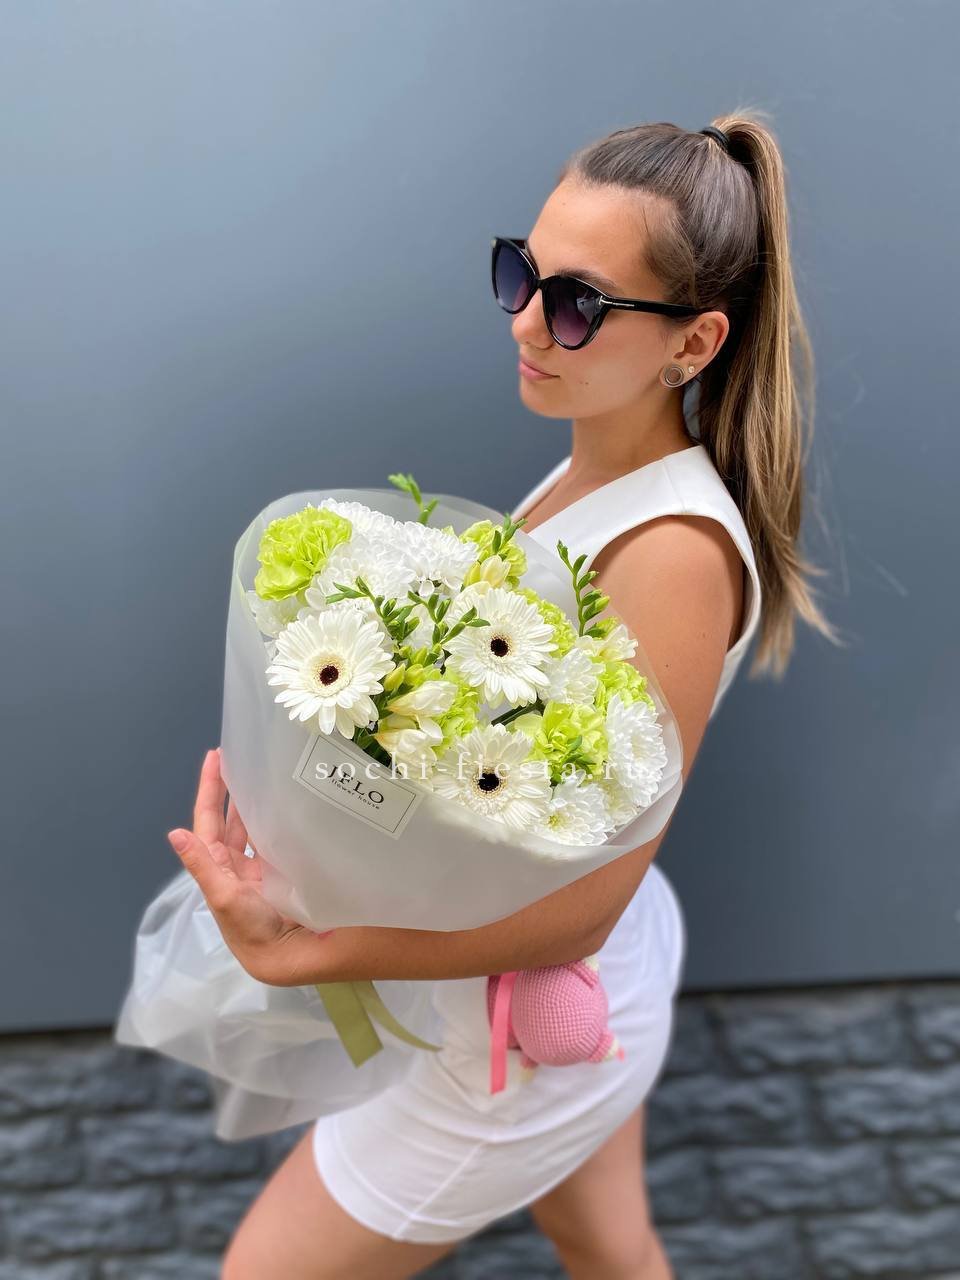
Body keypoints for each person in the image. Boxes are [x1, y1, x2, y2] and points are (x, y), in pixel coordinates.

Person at [168, 110, 841, 1279]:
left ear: (693, 343)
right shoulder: (590, 465)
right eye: (520, 274)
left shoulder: (671, 552)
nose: (526, 321)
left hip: (521, 1027)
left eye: (576, 303)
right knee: (608, 1245)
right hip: (554, 990)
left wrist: (311, 949)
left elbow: (585, 908)